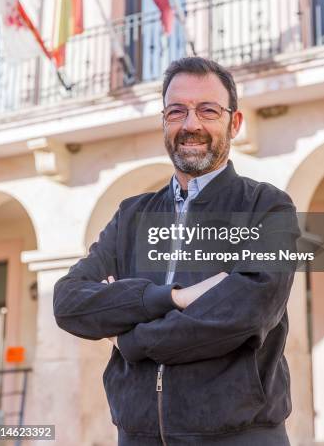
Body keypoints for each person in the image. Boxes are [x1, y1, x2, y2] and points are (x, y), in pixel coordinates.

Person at [53, 57, 300, 445]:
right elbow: (69, 301)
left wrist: (130, 337)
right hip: (138, 435)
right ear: (163, 122)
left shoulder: (268, 208)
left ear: (234, 123)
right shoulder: (131, 215)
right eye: (177, 111)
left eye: (208, 110)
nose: (191, 124)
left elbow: (244, 314)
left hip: (239, 435)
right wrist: (171, 298)